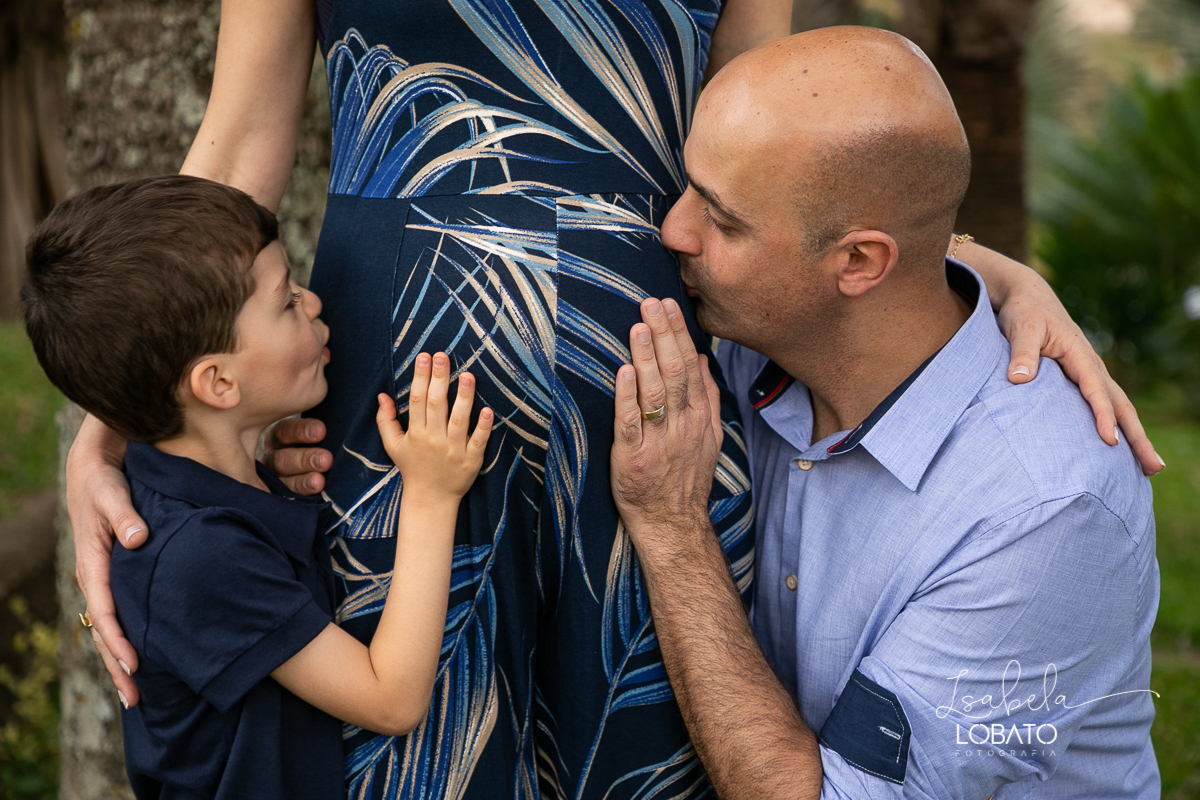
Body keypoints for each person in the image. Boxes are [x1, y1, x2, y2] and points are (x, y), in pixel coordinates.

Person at [64, 2, 1162, 798]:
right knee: (413, 739)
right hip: (403, 375)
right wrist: (115, 417)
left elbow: (788, 152)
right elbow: (242, 140)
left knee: (648, 716)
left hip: (648, 360)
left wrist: (960, 264)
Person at [610, 27, 1158, 799]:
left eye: (724, 221)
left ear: (861, 263)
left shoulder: (1042, 510)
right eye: (689, 185)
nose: (673, 230)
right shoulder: (754, 333)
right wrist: (982, 260)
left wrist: (671, 532)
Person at [24, 175, 492, 798]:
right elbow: (390, 699)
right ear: (218, 384)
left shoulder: (211, 487)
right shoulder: (197, 555)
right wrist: (432, 496)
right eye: (286, 301)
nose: (314, 302)